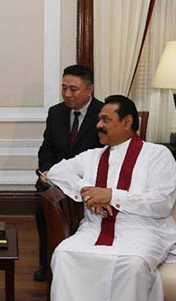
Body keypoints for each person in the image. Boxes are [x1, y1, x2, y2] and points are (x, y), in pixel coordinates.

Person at [46, 95, 176, 301]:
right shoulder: (92, 156)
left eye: (105, 119)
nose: (98, 125)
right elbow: (57, 172)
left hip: (143, 230)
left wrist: (113, 196)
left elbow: (162, 202)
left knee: (132, 264)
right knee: (65, 255)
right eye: (99, 119)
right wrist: (88, 192)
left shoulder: (157, 155)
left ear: (128, 122)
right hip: (95, 228)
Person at [34, 65, 103, 281]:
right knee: (43, 205)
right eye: (64, 88)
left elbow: (106, 155)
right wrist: (47, 170)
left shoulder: (103, 113)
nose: (67, 94)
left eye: (73, 89)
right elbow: (47, 148)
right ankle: (47, 264)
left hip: (88, 182)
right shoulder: (56, 113)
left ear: (89, 89)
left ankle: (82, 266)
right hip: (55, 181)